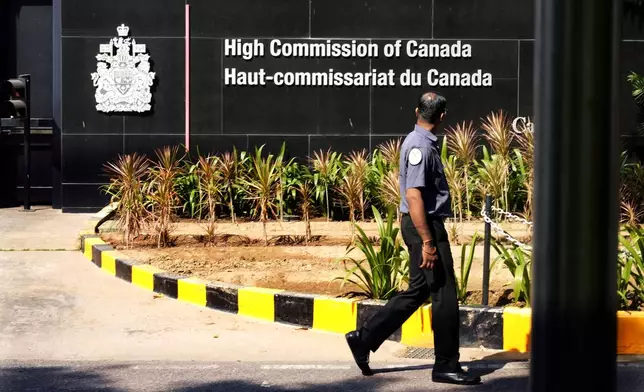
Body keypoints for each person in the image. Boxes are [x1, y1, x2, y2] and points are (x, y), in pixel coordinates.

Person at [345, 92, 482, 386]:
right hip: (425, 227)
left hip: (419, 225)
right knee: (444, 295)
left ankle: (364, 338)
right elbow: (413, 195)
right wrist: (428, 242)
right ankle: (446, 365)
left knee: (419, 290)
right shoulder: (420, 145)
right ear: (442, 116)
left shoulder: (418, 141)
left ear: (417, 111)